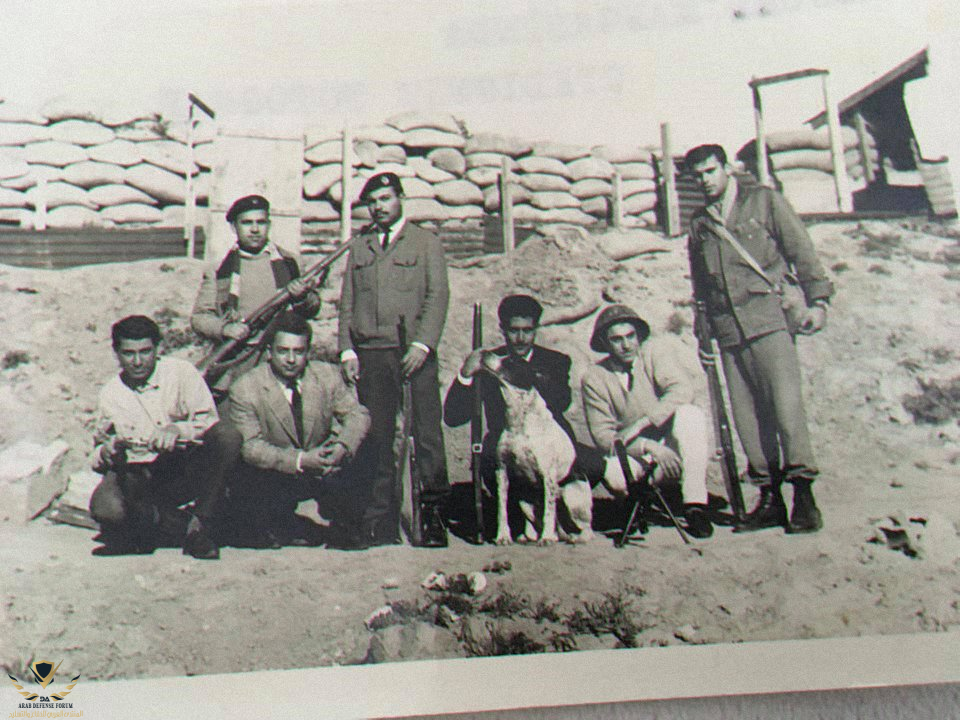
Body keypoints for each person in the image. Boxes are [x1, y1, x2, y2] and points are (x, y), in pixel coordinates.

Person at [683, 143, 834, 533]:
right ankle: (769, 499)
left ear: (727, 169)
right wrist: (703, 334)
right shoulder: (700, 223)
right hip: (729, 331)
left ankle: (804, 498)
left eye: (710, 171)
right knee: (746, 418)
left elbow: (801, 250)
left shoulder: (763, 202)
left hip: (768, 320)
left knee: (786, 410)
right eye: (697, 176)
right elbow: (700, 286)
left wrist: (818, 301)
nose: (705, 181)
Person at [337, 172, 450, 548]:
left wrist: (423, 345)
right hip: (372, 354)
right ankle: (379, 521)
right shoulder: (360, 246)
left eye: (385, 198)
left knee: (426, 436)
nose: (379, 207)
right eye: (372, 201)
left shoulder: (425, 242)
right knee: (378, 438)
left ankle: (432, 518)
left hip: (413, 352)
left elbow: (437, 296)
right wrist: (347, 349)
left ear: (401, 198)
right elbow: (348, 302)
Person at [443, 293, 597, 540]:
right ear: (502, 329)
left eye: (528, 330)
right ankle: (518, 517)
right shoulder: (491, 364)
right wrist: (466, 373)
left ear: (536, 329)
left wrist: (527, 375)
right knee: (492, 468)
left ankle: (564, 516)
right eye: (514, 331)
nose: (521, 338)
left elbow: (561, 402)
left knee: (593, 466)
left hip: (551, 446)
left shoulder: (556, 361)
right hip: (506, 447)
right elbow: (453, 417)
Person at [89, 315, 242, 559]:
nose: (138, 361)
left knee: (228, 436)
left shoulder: (182, 373)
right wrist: (108, 452)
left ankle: (199, 525)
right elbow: (98, 450)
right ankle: (176, 525)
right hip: (140, 476)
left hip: (184, 466)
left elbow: (208, 422)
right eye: (129, 353)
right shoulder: (111, 393)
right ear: (116, 353)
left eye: (145, 352)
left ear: (158, 348)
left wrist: (177, 430)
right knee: (107, 509)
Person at [228, 312, 371, 549]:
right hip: (275, 473)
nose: (291, 360)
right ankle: (278, 523)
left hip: (321, 467)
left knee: (365, 444)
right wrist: (301, 460)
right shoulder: (246, 387)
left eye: (299, 351)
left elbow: (358, 414)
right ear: (269, 352)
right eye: (283, 351)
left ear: (308, 352)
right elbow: (251, 448)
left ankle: (346, 524)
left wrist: (342, 447)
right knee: (249, 480)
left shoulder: (327, 375)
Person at [580, 304, 714, 539]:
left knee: (690, 414)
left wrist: (643, 423)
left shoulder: (652, 354)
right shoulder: (594, 378)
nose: (626, 345)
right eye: (617, 339)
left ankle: (695, 506)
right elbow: (603, 437)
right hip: (635, 454)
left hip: (671, 448)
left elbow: (682, 390)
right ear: (604, 343)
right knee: (615, 477)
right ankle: (636, 503)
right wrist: (647, 446)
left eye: (631, 336)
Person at [191, 194, 321, 398]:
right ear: (234, 227)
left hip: (281, 357)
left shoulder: (290, 262)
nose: (254, 229)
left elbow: (312, 308)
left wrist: (302, 297)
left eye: (261, 222)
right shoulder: (219, 269)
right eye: (247, 223)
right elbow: (200, 318)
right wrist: (225, 329)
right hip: (238, 357)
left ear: (269, 224)